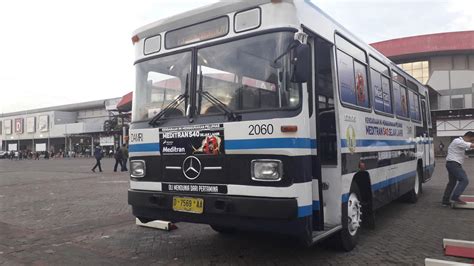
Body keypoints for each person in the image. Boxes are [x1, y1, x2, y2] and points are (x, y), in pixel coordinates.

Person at [442, 131, 474, 206]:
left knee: (452, 183)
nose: (471, 141)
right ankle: (455, 197)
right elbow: (471, 146)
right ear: (469, 137)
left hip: (452, 164)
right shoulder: (457, 141)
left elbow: (469, 148)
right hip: (454, 164)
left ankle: (445, 201)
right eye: (472, 140)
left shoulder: (460, 143)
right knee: (464, 180)